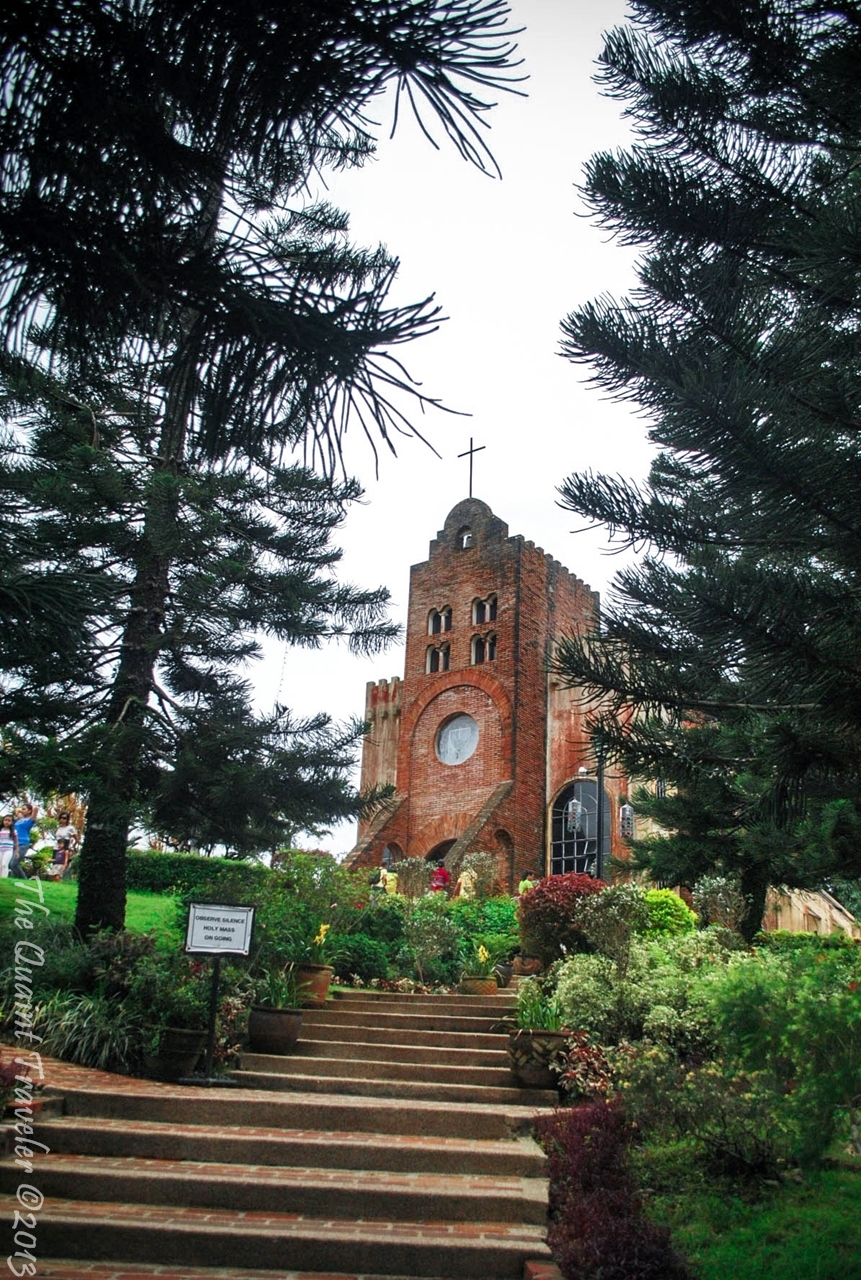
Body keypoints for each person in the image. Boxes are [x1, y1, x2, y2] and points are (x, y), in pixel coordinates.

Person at [12, 803, 38, 879]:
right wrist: (23, 810)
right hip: (15, 843)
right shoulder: (20, 819)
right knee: (12, 864)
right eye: (22, 808)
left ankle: (25, 880)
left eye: (24, 809)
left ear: (30, 811)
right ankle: (16, 880)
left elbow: (36, 809)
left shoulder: (31, 820)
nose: (21, 810)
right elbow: (16, 810)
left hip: (23, 844)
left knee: (14, 864)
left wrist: (29, 810)